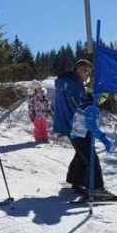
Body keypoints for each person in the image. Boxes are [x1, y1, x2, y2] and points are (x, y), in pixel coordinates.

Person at [70, 90, 117, 200]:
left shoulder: (83, 105)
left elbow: (73, 120)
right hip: (83, 137)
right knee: (93, 162)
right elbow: (92, 126)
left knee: (81, 159)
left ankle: (77, 183)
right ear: (97, 96)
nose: (102, 101)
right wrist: (104, 139)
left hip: (76, 136)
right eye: (103, 98)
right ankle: (98, 189)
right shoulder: (92, 108)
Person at [52, 59, 92, 193]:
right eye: (87, 72)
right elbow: (75, 103)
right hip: (73, 122)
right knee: (85, 152)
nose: (87, 76)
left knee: (80, 150)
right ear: (80, 70)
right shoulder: (71, 83)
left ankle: (72, 177)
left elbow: (78, 100)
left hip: (71, 120)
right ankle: (79, 183)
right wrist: (88, 106)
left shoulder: (71, 81)